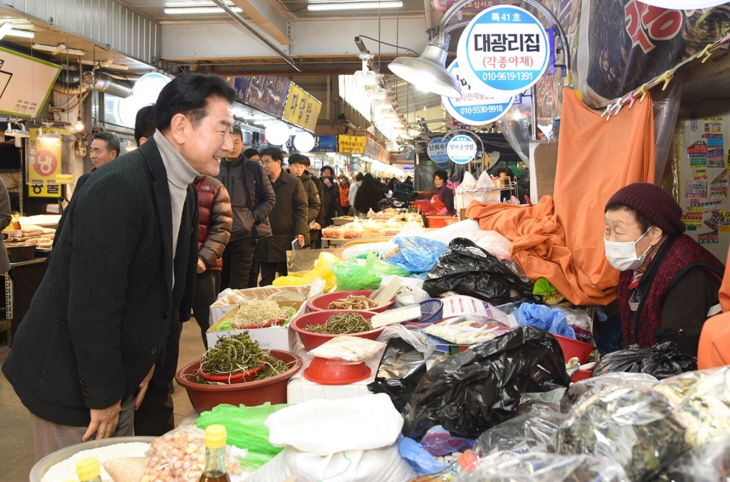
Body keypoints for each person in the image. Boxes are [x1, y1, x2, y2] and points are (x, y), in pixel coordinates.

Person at [3, 73, 236, 460]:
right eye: (222, 130)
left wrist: (148, 362)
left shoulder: (184, 186)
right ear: (180, 127)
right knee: (86, 467)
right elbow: (93, 306)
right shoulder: (119, 188)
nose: (229, 145)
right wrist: (105, 395)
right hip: (73, 380)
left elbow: (168, 287)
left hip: (120, 371)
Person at [604, 183, 724, 357]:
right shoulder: (636, 263)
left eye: (619, 231)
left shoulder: (686, 274)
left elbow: (677, 355)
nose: (611, 240)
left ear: (654, 235)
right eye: (608, 229)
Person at [216, 127, 275, 290]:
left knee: (239, 286)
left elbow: (269, 198)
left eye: (237, 142)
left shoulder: (254, 169)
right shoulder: (213, 166)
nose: (233, 146)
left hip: (244, 236)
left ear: (242, 144)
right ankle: (222, 316)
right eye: (229, 141)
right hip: (217, 237)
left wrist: (252, 219)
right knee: (219, 286)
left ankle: (237, 315)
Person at [255, 147, 307, 286]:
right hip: (265, 238)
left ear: (278, 162)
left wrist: (300, 231)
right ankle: (266, 306)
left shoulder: (293, 182)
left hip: (287, 237)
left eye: (267, 162)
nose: (264, 165)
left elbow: (302, 208)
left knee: (288, 278)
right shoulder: (260, 182)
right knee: (266, 280)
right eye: (262, 162)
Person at [192, 174, 231, 348]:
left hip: (203, 267)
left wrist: (204, 259)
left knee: (209, 322)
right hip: (172, 267)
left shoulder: (214, 187)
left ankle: (216, 366)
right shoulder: (169, 180)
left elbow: (222, 227)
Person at [288, 154, 321, 248]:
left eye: (301, 167)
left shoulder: (310, 184)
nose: (298, 169)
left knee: (301, 257)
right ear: (289, 165)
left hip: (303, 227)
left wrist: (303, 219)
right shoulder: (284, 182)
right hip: (284, 227)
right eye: (296, 166)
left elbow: (315, 206)